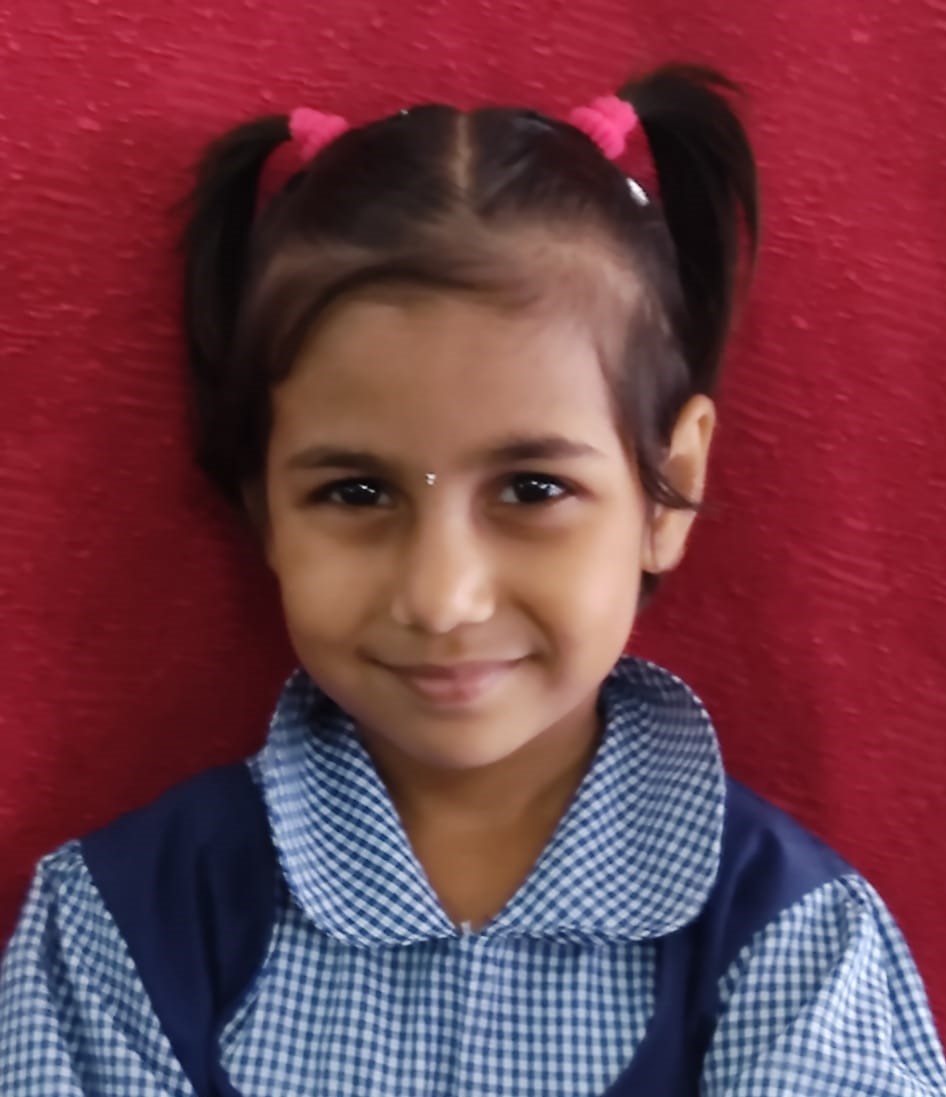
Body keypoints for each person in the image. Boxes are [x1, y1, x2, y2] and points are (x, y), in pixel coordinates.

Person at [1, 62, 944, 1097]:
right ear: (264, 504)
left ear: (668, 489)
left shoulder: (796, 944)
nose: (442, 596)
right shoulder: (121, 925)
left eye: (533, 487)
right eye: (357, 491)